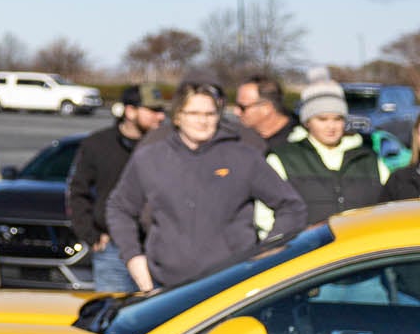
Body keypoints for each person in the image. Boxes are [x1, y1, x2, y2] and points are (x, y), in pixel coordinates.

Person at [106, 82, 307, 292]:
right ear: (177, 116)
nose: (202, 121)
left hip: (232, 286)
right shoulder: (150, 158)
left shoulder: (243, 157)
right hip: (165, 287)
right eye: (194, 113)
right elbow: (119, 207)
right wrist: (134, 259)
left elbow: (291, 207)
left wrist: (266, 253)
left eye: (209, 114)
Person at [67, 85, 167, 292]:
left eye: (162, 111)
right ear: (130, 112)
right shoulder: (98, 144)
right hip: (113, 251)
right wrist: (90, 233)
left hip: (159, 250)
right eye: (153, 111)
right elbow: (77, 192)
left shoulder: (167, 147)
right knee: (113, 314)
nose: (160, 117)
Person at [262, 80, 389, 227]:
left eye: (338, 119)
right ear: (307, 121)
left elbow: (389, 208)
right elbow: (265, 214)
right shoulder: (283, 158)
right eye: (322, 119)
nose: (331, 126)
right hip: (305, 248)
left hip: (363, 247)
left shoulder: (369, 159)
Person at [234, 76, 298, 153]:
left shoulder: (299, 141)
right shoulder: (240, 138)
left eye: (242, 107)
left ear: (266, 108)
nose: (236, 112)